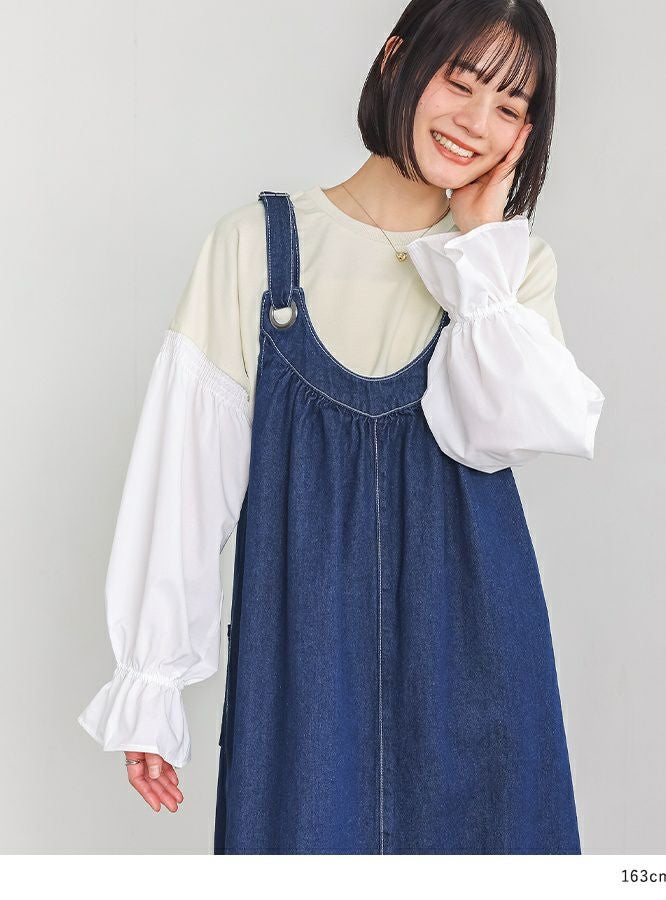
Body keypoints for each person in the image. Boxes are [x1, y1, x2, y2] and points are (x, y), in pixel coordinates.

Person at [77, 0, 604, 853]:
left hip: (476, 663)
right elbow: (184, 478)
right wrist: (151, 682)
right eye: (461, 82)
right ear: (397, 60)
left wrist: (478, 251)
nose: (476, 122)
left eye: (509, 107)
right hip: (304, 666)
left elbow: (508, 429)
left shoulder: (506, 272)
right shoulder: (255, 248)